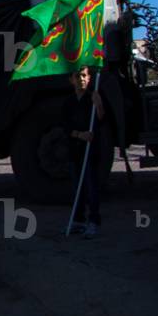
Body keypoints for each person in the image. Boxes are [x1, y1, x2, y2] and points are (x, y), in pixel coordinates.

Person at [62, 65, 105, 239]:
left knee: (91, 186)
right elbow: (64, 126)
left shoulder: (92, 99)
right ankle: (78, 220)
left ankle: (93, 221)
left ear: (89, 78)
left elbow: (101, 120)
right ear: (71, 80)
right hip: (75, 149)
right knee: (77, 186)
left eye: (84, 76)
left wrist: (99, 104)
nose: (81, 79)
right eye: (78, 76)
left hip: (90, 150)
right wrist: (80, 135)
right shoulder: (68, 102)